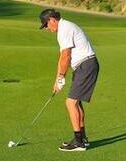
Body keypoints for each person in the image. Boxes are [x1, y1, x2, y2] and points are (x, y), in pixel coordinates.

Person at [39, 8, 100, 152]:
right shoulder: (65, 27)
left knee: (70, 102)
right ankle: (82, 139)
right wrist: (58, 79)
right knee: (76, 102)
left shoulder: (64, 29)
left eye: (46, 25)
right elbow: (63, 58)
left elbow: (65, 56)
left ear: (52, 20)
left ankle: (78, 142)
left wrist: (60, 78)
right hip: (83, 66)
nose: (47, 28)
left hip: (86, 65)